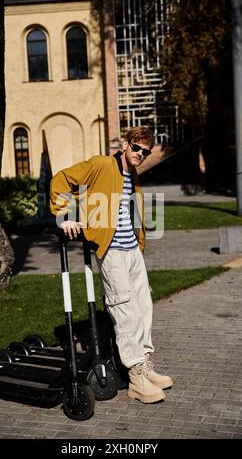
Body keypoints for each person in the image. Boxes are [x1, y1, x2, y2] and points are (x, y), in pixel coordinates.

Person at [50, 126, 173, 403]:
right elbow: (63, 179)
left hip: (132, 251)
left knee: (144, 308)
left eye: (146, 151)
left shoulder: (133, 174)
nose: (140, 154)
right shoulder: (103, 164)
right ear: (126, 145)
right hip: (111, 251)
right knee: (125, 309)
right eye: (137, 148)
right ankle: (136, 378)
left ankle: (145, 365)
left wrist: (140, 243)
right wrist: (63, 216)